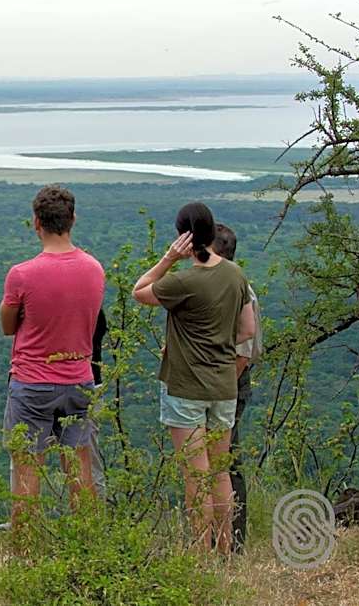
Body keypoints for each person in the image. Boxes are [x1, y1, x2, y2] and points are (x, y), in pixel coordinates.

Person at [132, 203, 254, 554]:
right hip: (224, 386)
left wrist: (169, 258)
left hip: (186, 387)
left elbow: (140, 290)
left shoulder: (183, 281)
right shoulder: (236, 275)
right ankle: (225, 551)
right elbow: (248, 329)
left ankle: (200, 555)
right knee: (220, 472)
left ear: (183, 237)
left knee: (195, 477)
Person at [0, 184, 105, 527]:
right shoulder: (94, 269)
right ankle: (86, 542)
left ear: (36, 222)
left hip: (33, 382)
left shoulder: (22, 274)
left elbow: (7, 326)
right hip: (80, 380)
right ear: (73, 219)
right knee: (80, 470)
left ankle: (26, 547)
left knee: (27, 472)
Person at [211, 223, 262, 553]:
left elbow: (242, 355)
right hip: (220, 379)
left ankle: (233, 541)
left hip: (228, 380)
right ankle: (217, 538)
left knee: (226, 461)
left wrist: (220, 391)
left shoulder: (241, 292)